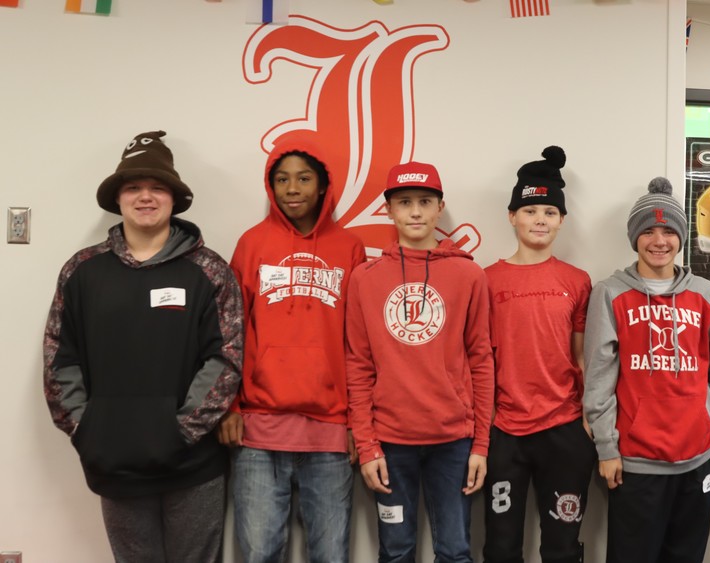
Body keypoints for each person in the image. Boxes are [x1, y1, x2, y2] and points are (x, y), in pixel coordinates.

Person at [42, 130, 243, 562]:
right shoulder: (82, 271)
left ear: (174, 198)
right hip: (114, 462)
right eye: (133, 187)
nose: (145, 196)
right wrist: (87, 429)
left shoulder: (210, 271)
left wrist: (178, 432)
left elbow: (226, 358)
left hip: (193, 465)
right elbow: (61, 359)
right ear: (117, 198)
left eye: (157, 187)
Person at [217, 133, 366, 563]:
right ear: (271, 186)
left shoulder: (349, 247)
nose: (293, 189)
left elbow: (358, 344)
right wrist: (230, 406)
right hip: (258, 433)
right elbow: (231, 331)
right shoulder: (252, 243)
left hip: (330, 432)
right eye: (282, 180)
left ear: (323, 185)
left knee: (331, 555)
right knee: (261, 553)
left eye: (304, 178)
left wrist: (359, 422)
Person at [346, 161, 494, 563]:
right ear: (388, 210)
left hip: (454, 441)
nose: (415, 211)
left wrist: (480, 444)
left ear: (439, 208)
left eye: (425, 202)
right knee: (395, 551)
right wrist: (367, 444)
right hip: (391, 442)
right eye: (405, 202)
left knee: (455, 550)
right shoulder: (365, 277)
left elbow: (481, 358)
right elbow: (358, 364)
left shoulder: (468, 275)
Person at [584, 177, 710, 563]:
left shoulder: (703, 292)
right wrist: (606, 447)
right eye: (648, 231)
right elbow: (598, 377)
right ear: (635, 237)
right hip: (636, 461)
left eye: (669, 231)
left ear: (681, 237)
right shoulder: (611, 292)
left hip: (697, 459)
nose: (659, 240)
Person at [482, 146, 596, 563]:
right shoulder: (486, 281)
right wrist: (486, 420)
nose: (540, 220)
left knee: (562, 547)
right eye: (530, 211)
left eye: (549, 212)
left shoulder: (578, 281)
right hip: (505, 430)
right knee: (501, 544)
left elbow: (582, 357)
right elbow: (478, 361)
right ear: (512, 216)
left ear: (562, 220)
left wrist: (587, 417)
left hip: (564, 429)